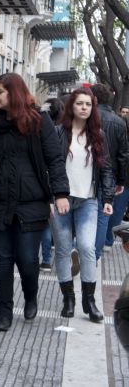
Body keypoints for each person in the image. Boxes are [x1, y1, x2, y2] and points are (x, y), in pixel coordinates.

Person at [0, 73, 70, 332]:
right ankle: (4, 312)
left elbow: (54, 159)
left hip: (31, 203)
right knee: (2, 259)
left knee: (28, 259)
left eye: (0, 91)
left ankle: (31, 296)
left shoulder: (38, 123)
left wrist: (61, 193)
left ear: (15, 93)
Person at [50, 87, 113, 323]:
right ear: (71, 107)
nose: (84, 107)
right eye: (80, 104)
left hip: (88, 200)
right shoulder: (58, 133)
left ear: (92, 108)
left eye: (88, 104)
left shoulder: (98, 135)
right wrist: (54, 197)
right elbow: (52, 168)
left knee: (87, 248)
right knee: (64, 249)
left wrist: (107, 200)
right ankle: (68, 298)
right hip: (62, 200)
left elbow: (106, 169)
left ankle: (90, 300)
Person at [92, 84, 129, 258]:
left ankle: (80, 248)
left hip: (87, 173)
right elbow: (123, 155)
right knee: (102, 215)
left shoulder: (87, 118)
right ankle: (97, 252)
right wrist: (121, 180)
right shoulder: (119, 123)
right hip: (110, 175)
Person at [38, 97, 65, 272]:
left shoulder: (43, 129)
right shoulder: (64, 131)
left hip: (45, 180)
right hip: (61, 182)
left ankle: (46, 260)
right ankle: (64, 253)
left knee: (47, 222)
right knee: (62, 222)